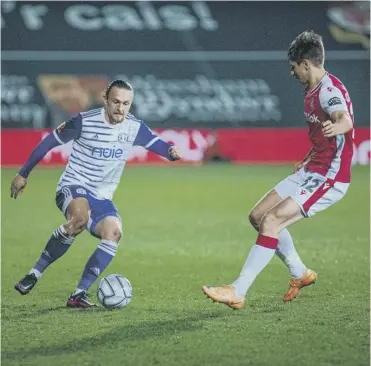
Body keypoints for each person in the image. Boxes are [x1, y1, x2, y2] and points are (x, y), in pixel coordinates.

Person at [202, 30, 355, 309]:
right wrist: (310, 156)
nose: (292, 72)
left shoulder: (329, 91)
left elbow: (342, 118)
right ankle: (299, 272)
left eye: (294, 66)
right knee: (258, 216)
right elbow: (324, 136)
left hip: (330, 177)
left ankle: (238, 289)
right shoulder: (312, 91)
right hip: (312, 169)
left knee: (272, 221)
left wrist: (340, 125)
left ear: (306, 64)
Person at [11, 79, 181, 308]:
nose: (121, 108)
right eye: (116, 102)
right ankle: (35, 272)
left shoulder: (133, 127)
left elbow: (159, 144)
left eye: (126, 103)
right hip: (72, 186)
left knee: (114, 233)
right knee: (79, 219)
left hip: (102, 197)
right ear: (105, 100)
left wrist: (170, 152)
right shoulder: (84, 122)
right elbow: (49, 142)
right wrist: (23, 174)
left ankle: (78, 295)